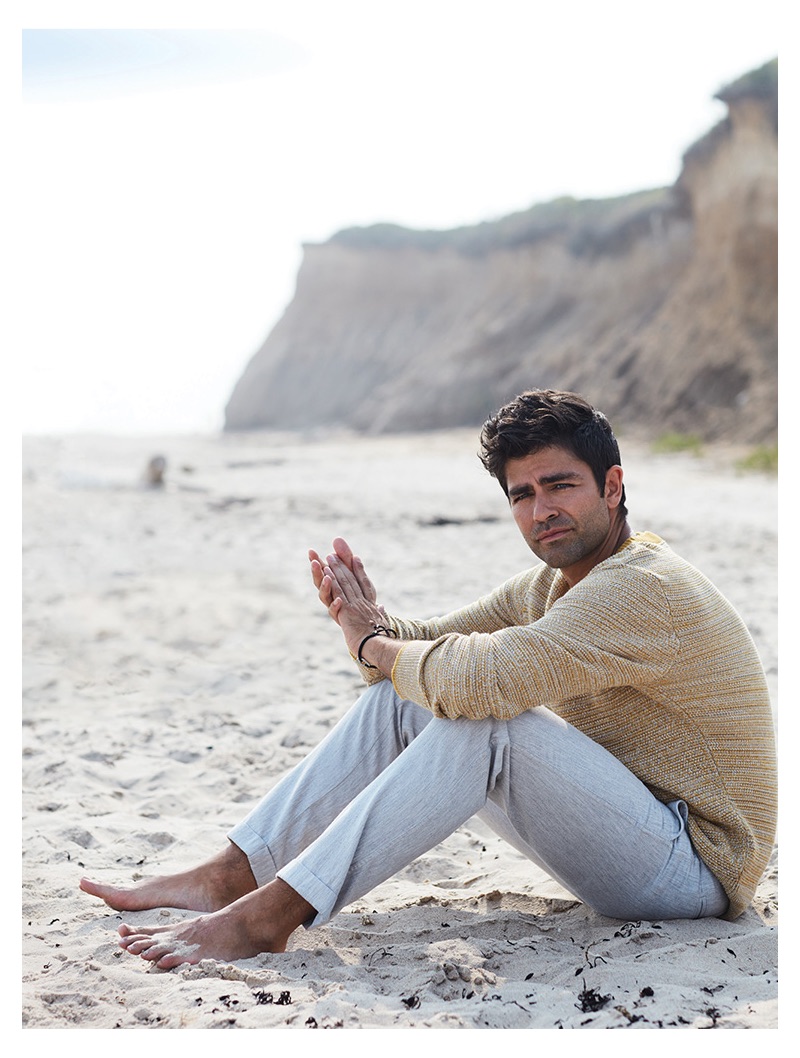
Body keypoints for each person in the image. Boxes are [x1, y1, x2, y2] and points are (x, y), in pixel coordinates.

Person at [80, 389, 777, 970]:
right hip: (628, 831)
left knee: (488, 721)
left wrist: (377, 645)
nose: (542, 511)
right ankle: (230, 874)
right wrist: (366, 623)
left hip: (696, 869)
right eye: (523, 494)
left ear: (613, 486)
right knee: (402, 701)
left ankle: (268, 917)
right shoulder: (547, 586)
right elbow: (429, 649)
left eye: (561, 485)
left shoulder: (642, 586)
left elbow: (482, 681)